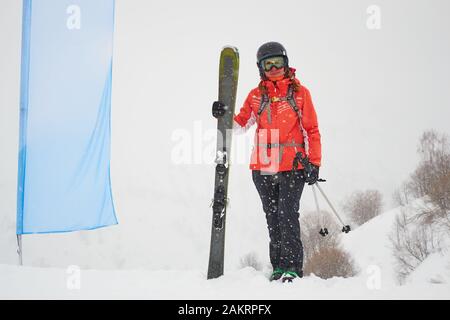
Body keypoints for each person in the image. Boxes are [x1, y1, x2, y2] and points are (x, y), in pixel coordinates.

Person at [213, 42, 322, 282]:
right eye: (267, 64)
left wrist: (314, 163)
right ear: (260, 68)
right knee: (272, 216)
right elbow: (240, 125)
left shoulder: (299, 94)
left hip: (293, 165)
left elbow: (311, 130)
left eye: (277, 63)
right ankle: (278, 267)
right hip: (263, 166)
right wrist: (223, 113)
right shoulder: (256, 96)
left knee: (287, 214)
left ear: (286, 63)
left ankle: (292, 267)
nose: (273, 68)